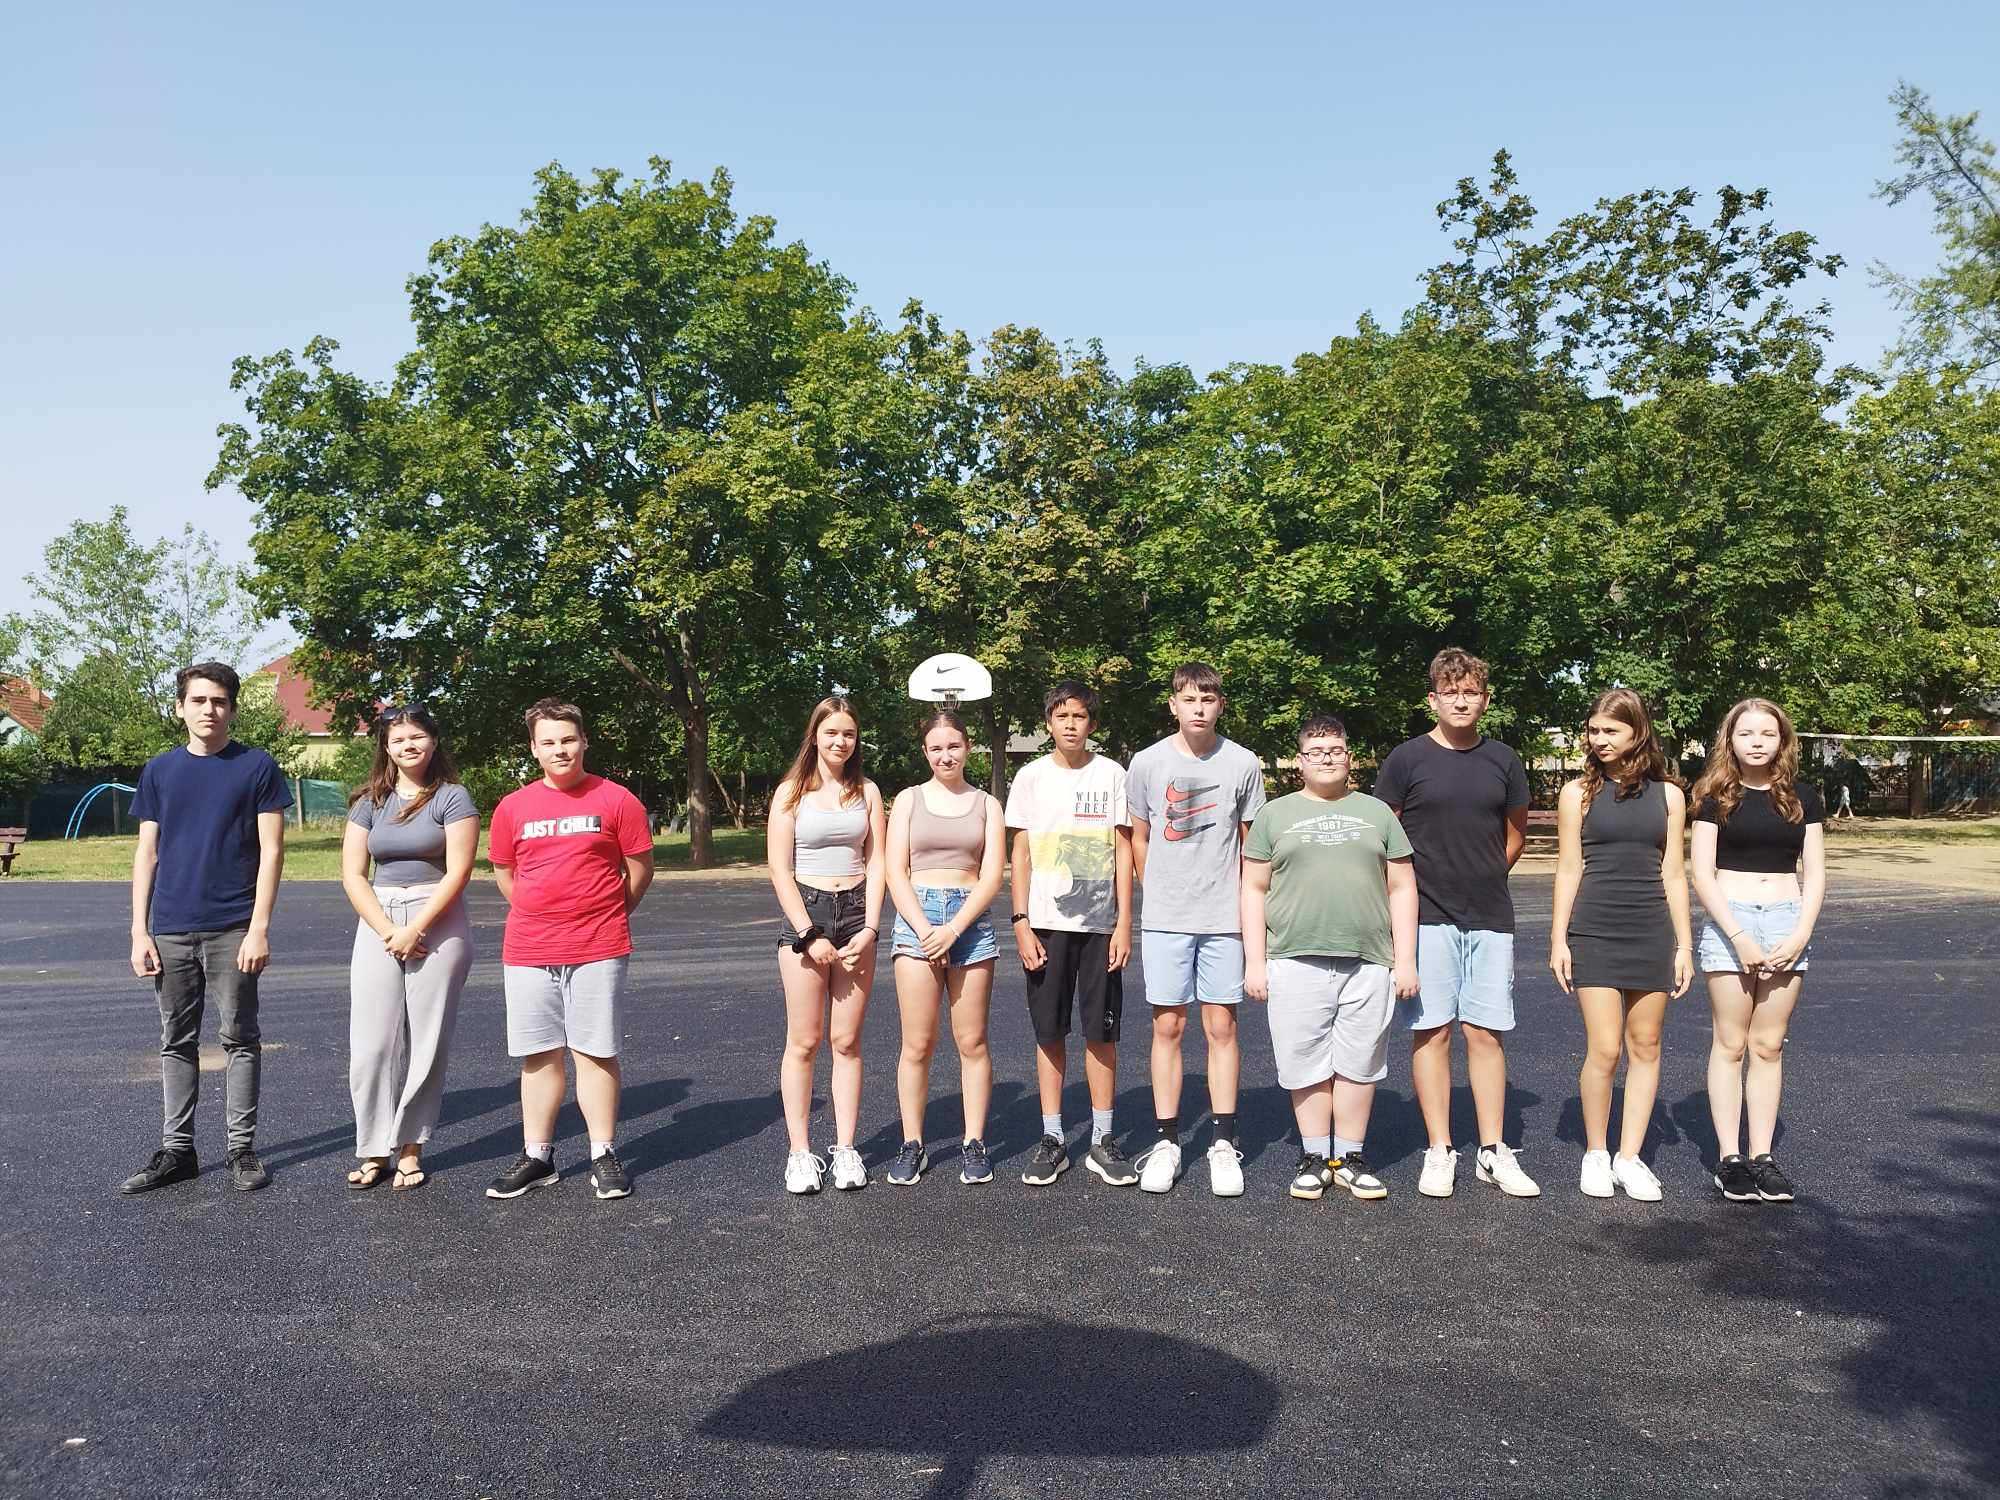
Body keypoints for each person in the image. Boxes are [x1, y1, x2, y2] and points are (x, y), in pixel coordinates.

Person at [1373, 647, 1539, 1199]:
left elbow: (1515, 834)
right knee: (1433, 1030)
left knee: (1485, 1033)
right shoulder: (1406, 759)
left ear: (1485, 700)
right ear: (1433, 699)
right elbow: (1386, 836)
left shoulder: (1504, 760)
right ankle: (1440, 1148)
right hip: (1425, 917)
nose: (1461, 701)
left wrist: (1485, 874)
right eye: (1451, 692)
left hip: (1489, 914)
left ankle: (1493, 1149)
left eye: (1471, 693)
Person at [122, 662, 292, 1195]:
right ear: (181, 708)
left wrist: (258, 927)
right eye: (198, 700)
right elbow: (147, 853)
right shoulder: (160, 771)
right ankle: (178, 1152)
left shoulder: (256, 767)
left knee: (240, 1038)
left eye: (218, 701)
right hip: (171, 928)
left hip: (233, 927)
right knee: (176, 1041)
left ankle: (241, 1149)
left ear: (232, 709)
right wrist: (139, 931)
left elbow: (272, 851)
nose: (208, 710)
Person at [484, 699, 654, 1202]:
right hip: (529, 948)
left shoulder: (617, 800)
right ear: (534, 749)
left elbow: (639, 870)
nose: (560, 749)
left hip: (599, 944)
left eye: (568, 739)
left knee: (595, 1051)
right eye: (549, 742)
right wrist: (541, 913)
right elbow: (505, 873)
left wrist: (604, 913)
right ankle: (538, 1157)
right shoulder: (512, 807)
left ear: (584, 742)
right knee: (539, 1054)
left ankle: (603, 1153)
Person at [1243, 716, 1418, 1201]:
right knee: (1305, 1063)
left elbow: (1402, 887)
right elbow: (1253, 888)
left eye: (1336, 750)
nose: (1327, 758)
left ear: (1350, 757)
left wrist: (1405, 959)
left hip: (1369, 959)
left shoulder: (1377, 813)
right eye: (1317, 751)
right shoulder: (1274, 815)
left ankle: (1351, 1157)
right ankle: (1316, 1156)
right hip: (1293, 958)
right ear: (1300, 761)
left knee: (1360, 1063)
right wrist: (1254, 961)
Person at [1125, 661, 1266, 1196]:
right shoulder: (1146, 762)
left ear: (1220, 705)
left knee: (1222, 1027)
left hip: (1224, 918)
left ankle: (1223, 1142)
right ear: (1173, 704)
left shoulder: (1243, 762)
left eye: (1208, 699)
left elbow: (1253, 847)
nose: (1199, 708)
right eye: (1189, 699)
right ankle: (1166, 1141)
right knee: (1167, 1027)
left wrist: (1251, 913)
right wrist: (1158, 888)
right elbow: (1138, 838)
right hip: (1166, 919)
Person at [1549, 688, 1694, 1200]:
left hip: (1652, 929)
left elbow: (1674, 874)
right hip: (1594, 929)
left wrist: (1684, 945)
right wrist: (1558, 938)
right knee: (1606, 1048)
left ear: (1638, 732)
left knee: (1645, 1045)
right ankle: (1596, 1152)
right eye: (1593, 730)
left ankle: (1629, 1157)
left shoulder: (1670, 796)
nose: (1599, 739)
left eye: (1611, 730)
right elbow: (1569, 868)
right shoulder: (1577, 794)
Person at [1689, 699, 1826, 1203]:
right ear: (1730, 740)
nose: (1757, 742)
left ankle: (1763, 1157)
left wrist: (1801, 932)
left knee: (1768, 1045)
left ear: (1782, 741)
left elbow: (1815, 873)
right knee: (1730, 1042)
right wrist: (1738, 936)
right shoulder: (1713, 796)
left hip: (1787, 922)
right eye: (1746, 733)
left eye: (1767, 733)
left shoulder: (1802, 798)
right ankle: (1730, 1159)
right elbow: (1701, 874)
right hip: (1732, 923)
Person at [339, 705, 480, 1191]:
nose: (408, 746)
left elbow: (460, 871)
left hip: (436, 916)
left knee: (427, 1041)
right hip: (378, 920)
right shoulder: (369, 802)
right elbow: (353, 874)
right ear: (386, 747)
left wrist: (416, 927)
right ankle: (373, 1148)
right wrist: (388, 930)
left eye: (417, 737)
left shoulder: (452, 797)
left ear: (433, 742)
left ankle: (411, 1148)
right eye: (398, 739)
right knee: (372, 1045)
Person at [1004, 681, 1135, 1186]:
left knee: (1101, 1032)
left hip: (1101, 927)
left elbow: (1123, 850)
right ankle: (1053, 1137)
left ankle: (1102, 1137)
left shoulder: (1113, 775)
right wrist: (1020, 922)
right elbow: (1020, 854)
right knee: (1049, 1031)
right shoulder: (1031, 777)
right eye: (1061, 717)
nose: (1071, 724)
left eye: (1079, 716)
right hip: (1044, 925)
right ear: (1049, 724)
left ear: (1091, 724)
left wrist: (1124, 923)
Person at [768, 696, 887, 1194]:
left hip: (857, 914)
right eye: (832, 732)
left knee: (846, 1041)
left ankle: (845, 1149)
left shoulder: (868, 792)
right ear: (814, 735)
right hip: (808, 914)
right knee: (804, 1041)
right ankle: (800, 1153)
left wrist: (871, 928)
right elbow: (780, 870)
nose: (841, 742)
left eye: (849, 734)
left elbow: (878, 862)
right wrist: (808, 934)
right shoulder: (791, 793)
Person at [882, 711, 1005, 1186]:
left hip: (968, 922)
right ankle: (912, 1143)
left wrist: (953, 929)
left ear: (967, 747)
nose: (945, 755)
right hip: (917, 919)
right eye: (936, 748)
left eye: (953, 746)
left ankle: (974, 1142)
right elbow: (895, 872)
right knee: (918, 1042)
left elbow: (991, 876)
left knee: (971, 1042)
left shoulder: (987, 805)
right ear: (925, 752)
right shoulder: (908, 800)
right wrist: (925, 929)